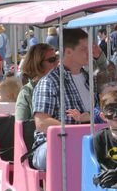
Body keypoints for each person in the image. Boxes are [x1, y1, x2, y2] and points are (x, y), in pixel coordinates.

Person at [31, 29, 96, 170]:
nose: (89, 52)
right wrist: (75, 134)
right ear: (68, 52)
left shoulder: (90, 79)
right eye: (84, 48)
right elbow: (41, 122)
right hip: (52, 144)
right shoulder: (49, 82)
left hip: (87, 142)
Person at [15, 43, 59, 121]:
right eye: (52, 60)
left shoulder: (64, 85)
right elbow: (20, 124)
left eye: (57, 58)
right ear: (38, 64)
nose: (57, 62)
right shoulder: (27, 92)